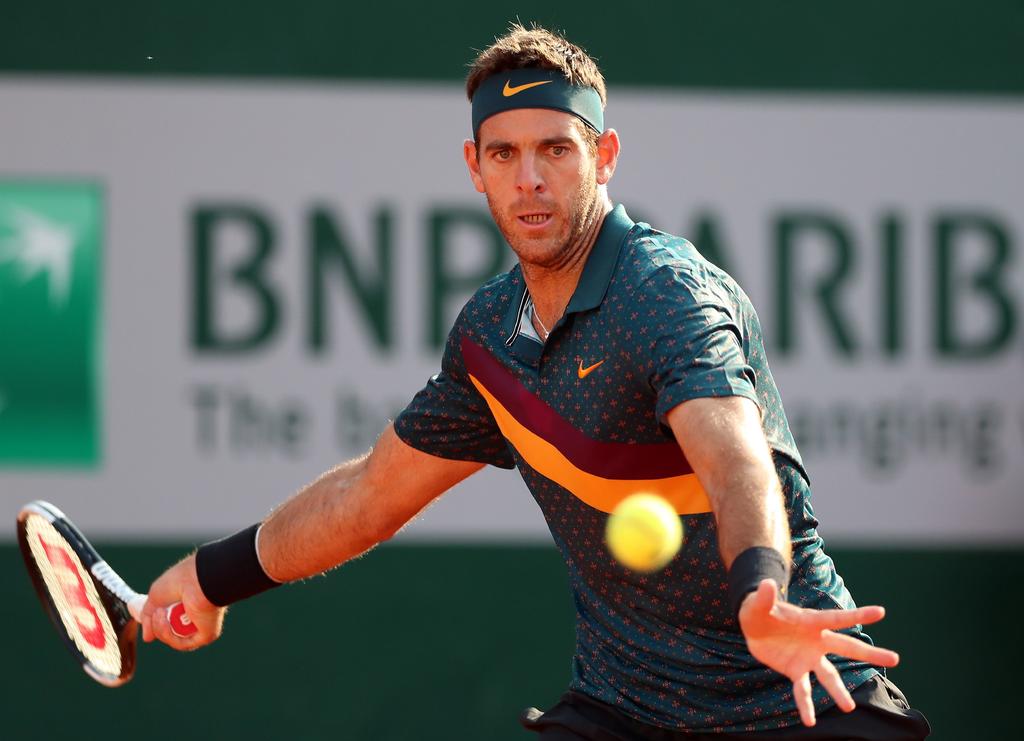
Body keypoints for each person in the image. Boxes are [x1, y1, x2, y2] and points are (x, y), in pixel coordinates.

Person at [141, 23, 930, 740]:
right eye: (503, 154)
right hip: (625, 708)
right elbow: (368, 495)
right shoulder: (491, 338)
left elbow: (734, 459)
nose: (529, 179)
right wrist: (211, 579)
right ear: (474, 168)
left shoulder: (665, 295)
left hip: (801, 698)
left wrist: (761, 586)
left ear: (605, 156)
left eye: (556, 149)